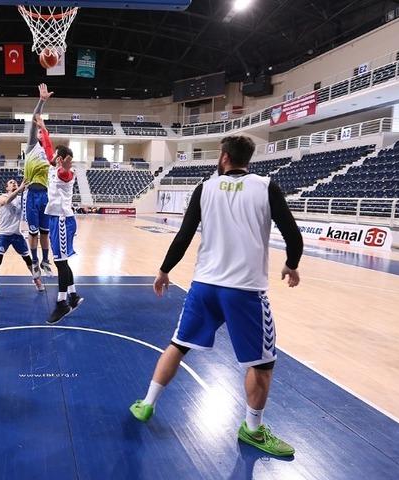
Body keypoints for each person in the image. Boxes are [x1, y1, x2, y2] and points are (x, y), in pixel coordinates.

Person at [129, 135, 304, 457]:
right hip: (245, 291)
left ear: (224, 158)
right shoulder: (266, 187)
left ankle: (146, 403)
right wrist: (292, 265)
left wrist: (165, 270)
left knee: (178, 344)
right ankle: (252, 429)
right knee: (263, 364)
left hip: (204, 286)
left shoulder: (205, 188)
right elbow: (293, 234)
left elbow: (183, 235)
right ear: (246, 159)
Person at [35, 115, 84, 325]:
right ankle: (73, 295)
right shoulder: (53, 167)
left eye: (56, 155)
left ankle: (62, 303)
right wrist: (43, 128)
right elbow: (47, 149)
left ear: (62, 158)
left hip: (63, 221)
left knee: (61, 263)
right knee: (62, 262)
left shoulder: (66, 173)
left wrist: (66, 165)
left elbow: (65, 173)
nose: (52, 156)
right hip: (57, 220)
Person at [0, 179, 44, 301]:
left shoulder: (21, 199)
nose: (14, 183)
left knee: (28, 260)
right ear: (6, 187)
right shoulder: (1, 197)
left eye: (16, 182)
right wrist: (20, 189)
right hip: (4, 235)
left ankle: (36, 279)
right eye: (11, 182)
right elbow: (7, 201)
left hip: (17, 234)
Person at [22, 83, 55, 277]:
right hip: (31, 194)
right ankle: (34, 261)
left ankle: (45, 261)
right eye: (40, 130)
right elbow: (35, 120)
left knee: (45, 233)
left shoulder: (50, 153)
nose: (40, 132)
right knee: (33, 233)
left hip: (45, 195)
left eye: (43, 131)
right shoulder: (32, 146)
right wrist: (41, 101)